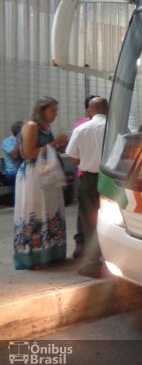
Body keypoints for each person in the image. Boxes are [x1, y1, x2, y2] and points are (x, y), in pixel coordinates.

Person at [13, 97, 68, 270]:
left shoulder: (46, 127)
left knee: (50, 211)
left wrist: (60, 146)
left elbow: (45, 150)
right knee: (35, 213)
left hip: (47, 174)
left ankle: (50, 252)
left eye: (56, 111)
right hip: (33, 176)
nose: (55, 114)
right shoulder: (31, 126)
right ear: (41, 110)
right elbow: (28, 153)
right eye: (52, 110)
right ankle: (34, 257)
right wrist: (54, 143)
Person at [65, 97, 108, 278]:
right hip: (112, 179)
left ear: (90, 111)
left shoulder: (82, 129)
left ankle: (93, 263)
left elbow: (73, 159)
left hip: (89, 179)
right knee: (114, 220)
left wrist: (87, 158)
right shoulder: (118, 129)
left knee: (90, 220)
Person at [69, 94, 97, 259]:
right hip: (100, 174)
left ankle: (83, 245)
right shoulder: (81, 126)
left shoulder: (80, 126)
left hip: (85, 173)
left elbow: (73, 157)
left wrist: (86, 161)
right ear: (89, 110)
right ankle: (83, 243)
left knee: (85, 212)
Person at [2, 121, 24, 185]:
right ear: (20, 131)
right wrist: (19, 139)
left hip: (23, 169)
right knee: (22, 177)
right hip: (12, 171)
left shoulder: (25, 140)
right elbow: (15, 155)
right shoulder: (7, 141)